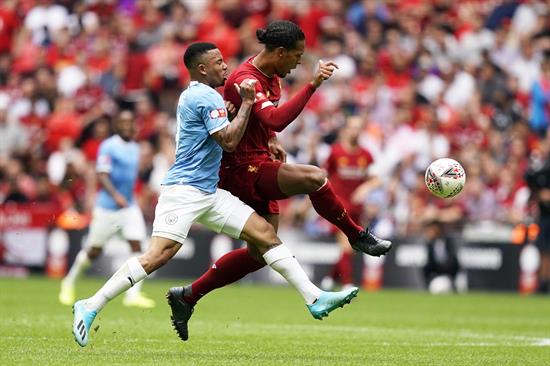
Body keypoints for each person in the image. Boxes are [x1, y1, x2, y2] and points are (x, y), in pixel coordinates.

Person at [72, 42, 359, 347]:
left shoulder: (203, 96)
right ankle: (90, 305)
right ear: (202, 69)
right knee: (158, 255)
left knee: (264, 234)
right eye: (219, 62)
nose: (226, 66)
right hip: (183, 191)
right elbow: (230, 142)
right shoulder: (203, 95)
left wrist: (241, 116)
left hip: (209, 192)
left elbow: (223, 129)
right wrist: (247, 104)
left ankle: (314, 297)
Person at [167, 20, 391, 342]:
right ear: (281, 52)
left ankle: (187, 296)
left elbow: (267, 123)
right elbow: (276, 118)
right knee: (314, 177)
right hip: (239, 170)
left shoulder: (272, 77)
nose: (299, 62)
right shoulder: (246, 79)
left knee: (260, 253)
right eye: (296, 56)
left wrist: (270, 138)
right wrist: (311, 86)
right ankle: (356, 235)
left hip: (259, 160)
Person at [59, 110, 155, 308]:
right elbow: (102, 174)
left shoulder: (136, 148)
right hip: (108, 207)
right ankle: (68, 282)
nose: (128, 126)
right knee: (93, 251)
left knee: (139, 249)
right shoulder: (108, 146)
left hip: (129, 207)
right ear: (117, 125)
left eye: (131, 123)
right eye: (124, 122)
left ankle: (132, 296)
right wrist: (116, 195)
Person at [320, 116, 378, 290]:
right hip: (338, 207)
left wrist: (365, 188)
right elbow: (325, 176)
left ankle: (330, 277)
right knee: (346, 244)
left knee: (349, 248)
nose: (355, 131)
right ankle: (347, 284)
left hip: (357, 210)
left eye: (359, 127)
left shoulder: (365, 155)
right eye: (352, 127)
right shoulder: (335, 152)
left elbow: (376, 179)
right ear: (346, 130)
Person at [421, 220, 464, 294]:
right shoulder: (430, 245)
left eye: (431, 230)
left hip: (452, 275)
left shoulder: (448, 241)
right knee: (438, 288)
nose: (429, 233)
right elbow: (428, 265)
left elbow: (453, 261)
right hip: (438, 276)